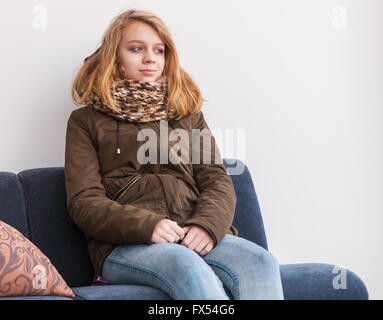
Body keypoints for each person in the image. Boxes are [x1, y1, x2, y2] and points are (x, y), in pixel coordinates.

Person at [65, 8, 284, 300]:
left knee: (261, 262)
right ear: (114, 58)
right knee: (186, 265)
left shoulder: (188, 114)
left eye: (159, 50)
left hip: (192, 233)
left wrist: (205, 226)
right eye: (136, 49)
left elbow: (218, 181)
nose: (150, 58)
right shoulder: (85, 122)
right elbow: (84, 202)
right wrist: (148, 226)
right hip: (125, 246)